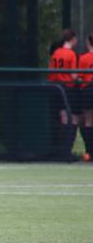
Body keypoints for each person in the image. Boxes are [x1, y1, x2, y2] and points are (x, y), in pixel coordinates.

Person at [48, 29, 80, 160]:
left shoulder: (56, 52)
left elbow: (51, 71)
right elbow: (73, 75)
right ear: (72, 39)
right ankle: (66, 150)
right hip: (67, 88)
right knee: (69, 118)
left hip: (56, 87)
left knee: (61, 117)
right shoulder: (71, 54)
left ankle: (60, 149)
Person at [78, 34, 93, 162]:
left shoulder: (83, 58)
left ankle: (89, 151)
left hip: (88, 90)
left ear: (89, 43)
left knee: (88, 120)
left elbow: (79, 76)